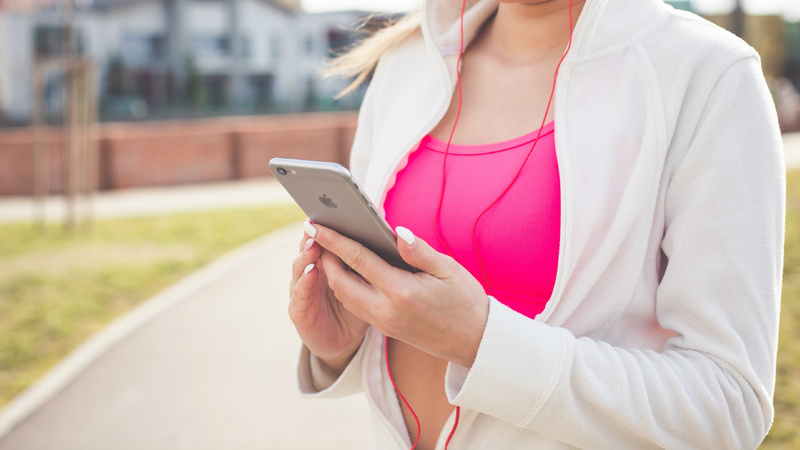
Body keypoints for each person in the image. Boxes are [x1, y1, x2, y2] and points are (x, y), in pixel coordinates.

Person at [288, 0, 785, 448]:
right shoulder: (407, 63)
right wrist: (343, 347)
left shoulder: (708, 74)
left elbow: (728, 403)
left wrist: (481, 342)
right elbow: (403, 337)